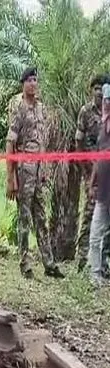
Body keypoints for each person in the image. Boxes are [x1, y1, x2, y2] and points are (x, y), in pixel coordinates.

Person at [5, 67, 64, 279]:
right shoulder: (19, 109)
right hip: (24, 167)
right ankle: (25, 264)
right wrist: (10, 178)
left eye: (35, 80)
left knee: (41, 217)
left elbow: (43, 141)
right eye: (29, 80)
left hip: (39, 168)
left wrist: (45, 169)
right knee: (24, 217)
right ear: (23, 83)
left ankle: (49, 263)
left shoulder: (41, 108)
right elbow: (10, 142)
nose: (33, 83)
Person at [76, 75, 108, 272]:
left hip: (106, 173)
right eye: (95, 88)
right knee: (89, 215)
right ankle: (82, 258)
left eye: (101, 89)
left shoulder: (108, 113)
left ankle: (101, 263)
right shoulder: (86, 112)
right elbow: (78, 142)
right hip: (91, 171)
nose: (98, 92)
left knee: (104, 220)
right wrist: (86, 169)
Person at [86, 83, 110, 286]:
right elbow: (98, 158)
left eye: (109, 100)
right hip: (103, 190)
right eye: (105, 100)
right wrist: (92, 183)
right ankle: (95, 274)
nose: (106, 103)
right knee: (95, 234)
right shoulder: (103, 127)